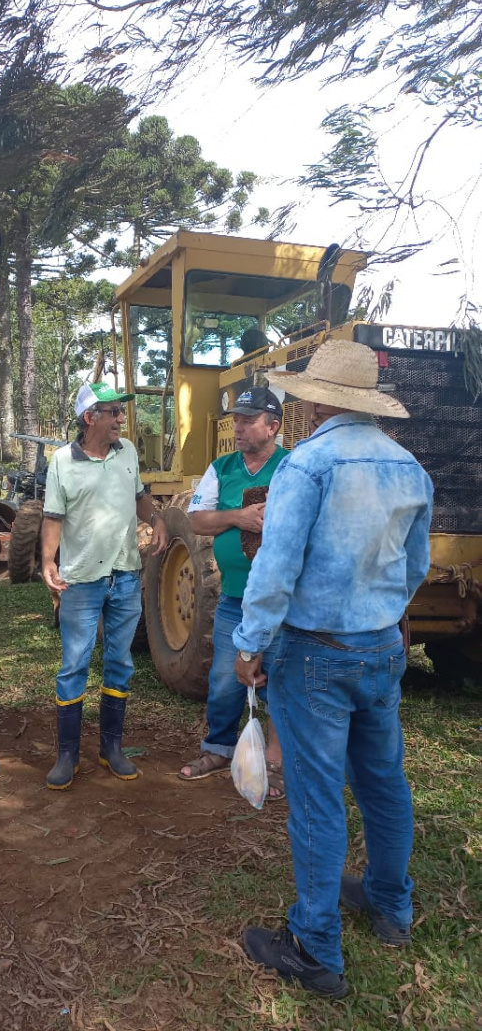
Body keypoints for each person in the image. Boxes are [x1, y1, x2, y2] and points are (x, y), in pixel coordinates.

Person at [233, 341, 433, 998]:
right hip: (381, 647)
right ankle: (390, 905)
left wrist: (249, 644)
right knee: (383, 781)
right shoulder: (409, 467)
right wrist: (383, 613)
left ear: (316, 403)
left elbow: (276, 566)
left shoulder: (308, 464)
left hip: (316, 651)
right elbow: (416, 566)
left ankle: (315, 949)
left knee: (318, 798)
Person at [41, 382, 169, 791]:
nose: (120, 419)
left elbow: (139, 496)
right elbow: (53, 517)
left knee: (120, 663)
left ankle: (111, 748)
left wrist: (156, 518)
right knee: (74, 665)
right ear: (89, 418)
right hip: (81, 581)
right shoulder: (63, 461)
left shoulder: (127, 451)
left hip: (126, 576)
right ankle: (68, 755)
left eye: (120, 411)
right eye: (113, 412)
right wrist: (48, 561)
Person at [180, 386, 287, 796]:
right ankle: (218, 748)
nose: (238, 428)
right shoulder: (221, 468)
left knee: (278, 677)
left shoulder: (292, 466)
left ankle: (275, 762)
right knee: (225, 677)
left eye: (247, 421)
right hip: (235, 598)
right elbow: (197, 520)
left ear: (272, 426)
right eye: (236, 420)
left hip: (281, 600)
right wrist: (239, 517)